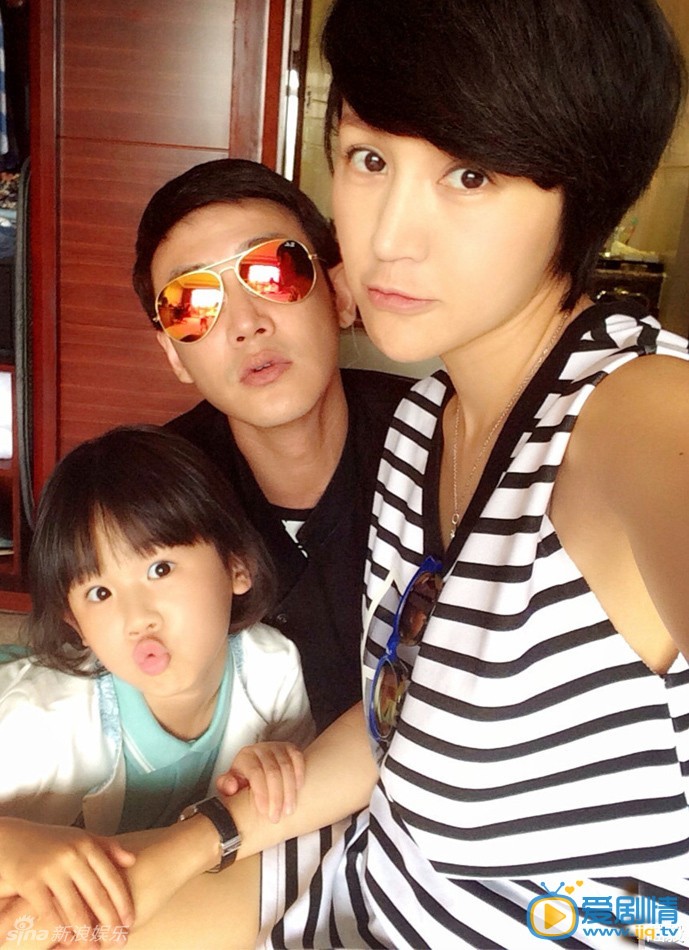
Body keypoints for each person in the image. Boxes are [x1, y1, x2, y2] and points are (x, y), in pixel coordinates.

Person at [2, 0, 689, 947]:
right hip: (358, 866)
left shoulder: (637, 416)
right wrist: (185, 846)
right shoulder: (422, 431)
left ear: (581, 186)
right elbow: (391, 717)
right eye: (368, 160)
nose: (391, 236)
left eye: (469, 174)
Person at [0, 426, 314, 938]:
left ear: (237, 564)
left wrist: (275, 766)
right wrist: (11, 845)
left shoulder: (272, 669)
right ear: (75, 624)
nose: (137, 617)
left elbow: (296, 817)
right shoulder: (41, 720)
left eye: (160, 568)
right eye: (100, 593)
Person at [132, 159, 412, 733]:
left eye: (275, 271)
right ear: (173, 355)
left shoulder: (442, 440)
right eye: (192, 304)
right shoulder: (155, 495)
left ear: (339, 294)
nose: (246, 323)